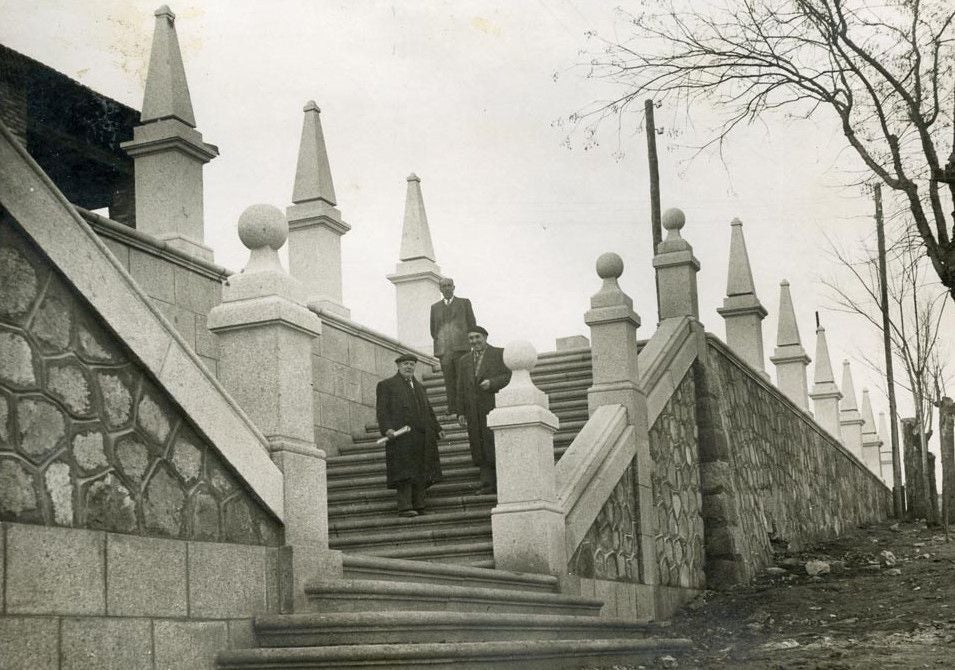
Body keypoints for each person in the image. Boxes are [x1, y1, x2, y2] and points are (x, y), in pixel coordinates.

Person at [376, 353, 443, 517]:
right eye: (405, 364)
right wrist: (387, 429)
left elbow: (429, 410)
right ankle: (405, 507)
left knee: (420, 469)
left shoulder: (420, 387)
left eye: (412, 364)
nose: (409, 367)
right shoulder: (387, 385)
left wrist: (437, 427)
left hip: (421, 436)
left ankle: (420, 505)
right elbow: (382, 411)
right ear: (398, 366)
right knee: (404, 471)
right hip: (401, 436)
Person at [455, 326, 511, 494]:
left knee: (495, 443)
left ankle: (504, 484)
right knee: (479, 446)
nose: (474, 341)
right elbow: (460, 388)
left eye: (477, 337)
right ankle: (487, 484)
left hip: (494, 407)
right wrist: (460, 412)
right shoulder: (464, 361)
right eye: (471, 338)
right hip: (473, 412)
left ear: (485, 337)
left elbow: (509, 376)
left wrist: (493, 383)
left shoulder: (499, 353)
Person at [429, 277, 476, 417]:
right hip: (445, 351)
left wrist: (470, 343)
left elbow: (472, 324)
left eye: (449, 285)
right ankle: (452, 408)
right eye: (444, 286)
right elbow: (433, 330)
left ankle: (465, 407)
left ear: (454, 287)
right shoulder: (435, 307)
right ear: (440, 289)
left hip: (462, 348)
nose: (447, 288)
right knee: (449, 380)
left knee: (463, 378)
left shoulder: (464, 303)